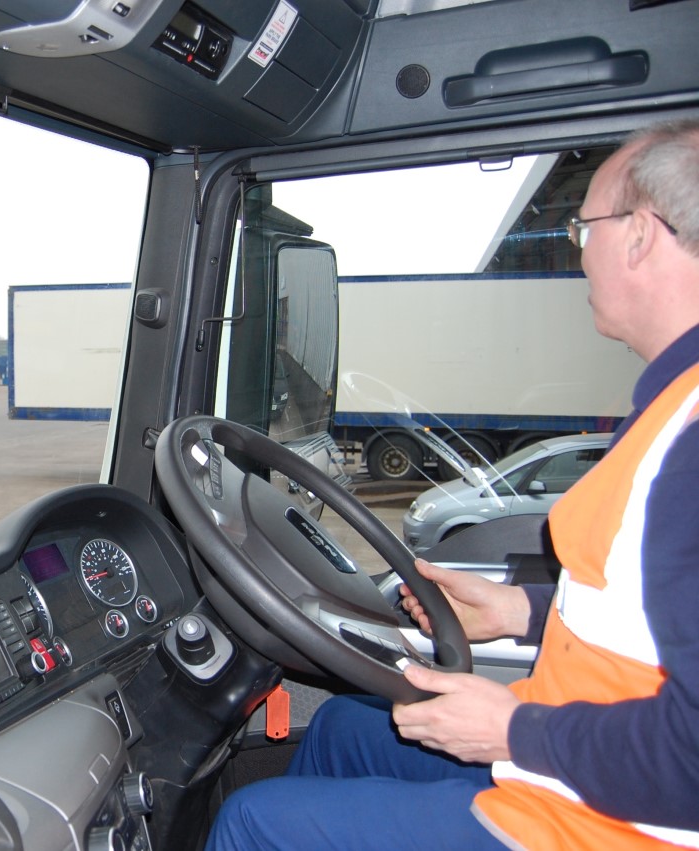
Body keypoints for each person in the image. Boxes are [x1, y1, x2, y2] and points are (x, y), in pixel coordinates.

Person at [206, 118, 699, 850]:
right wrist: (515, 610)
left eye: (583, 226)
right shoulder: (671, 403)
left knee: (252, 821)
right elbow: (644, 611)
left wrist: (512, 729)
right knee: (342, 727)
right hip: (582, 766)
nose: (580, 250)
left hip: (606, 822)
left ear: (639, 236)